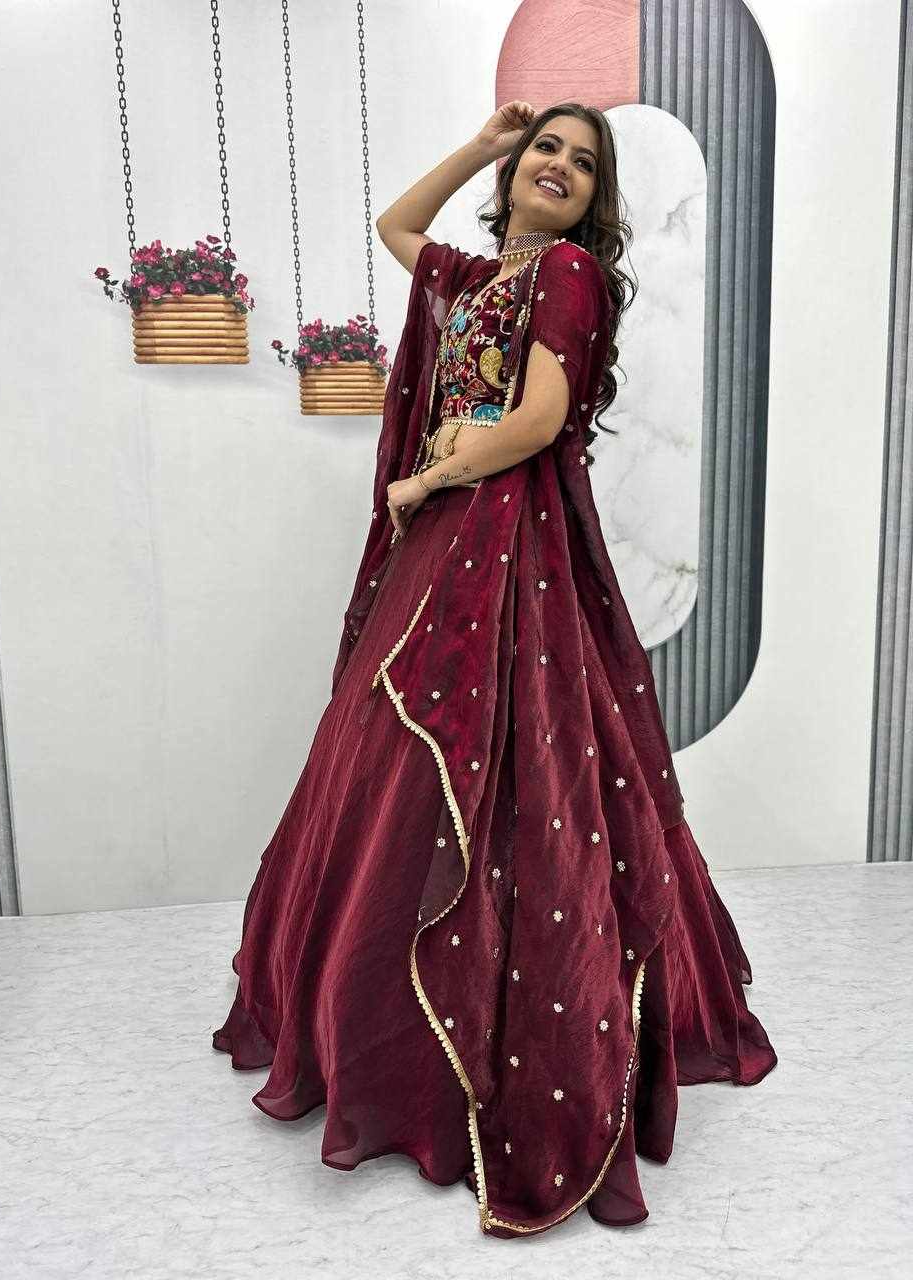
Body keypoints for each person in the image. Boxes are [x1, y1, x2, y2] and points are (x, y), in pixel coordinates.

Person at [212, 100, 778, 1240]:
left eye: (584, 162)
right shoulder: (484, 275)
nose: (560, 167)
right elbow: (396, 226)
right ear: (517, 169)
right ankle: (381, 1025)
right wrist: (480, 145)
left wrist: (427, 481)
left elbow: (541, 417)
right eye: (545, 151)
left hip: (503, 536)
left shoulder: (565, 272)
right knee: (408, 759)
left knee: (507, 769)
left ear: (597, 201)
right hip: (453, 535)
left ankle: (483, 1041)